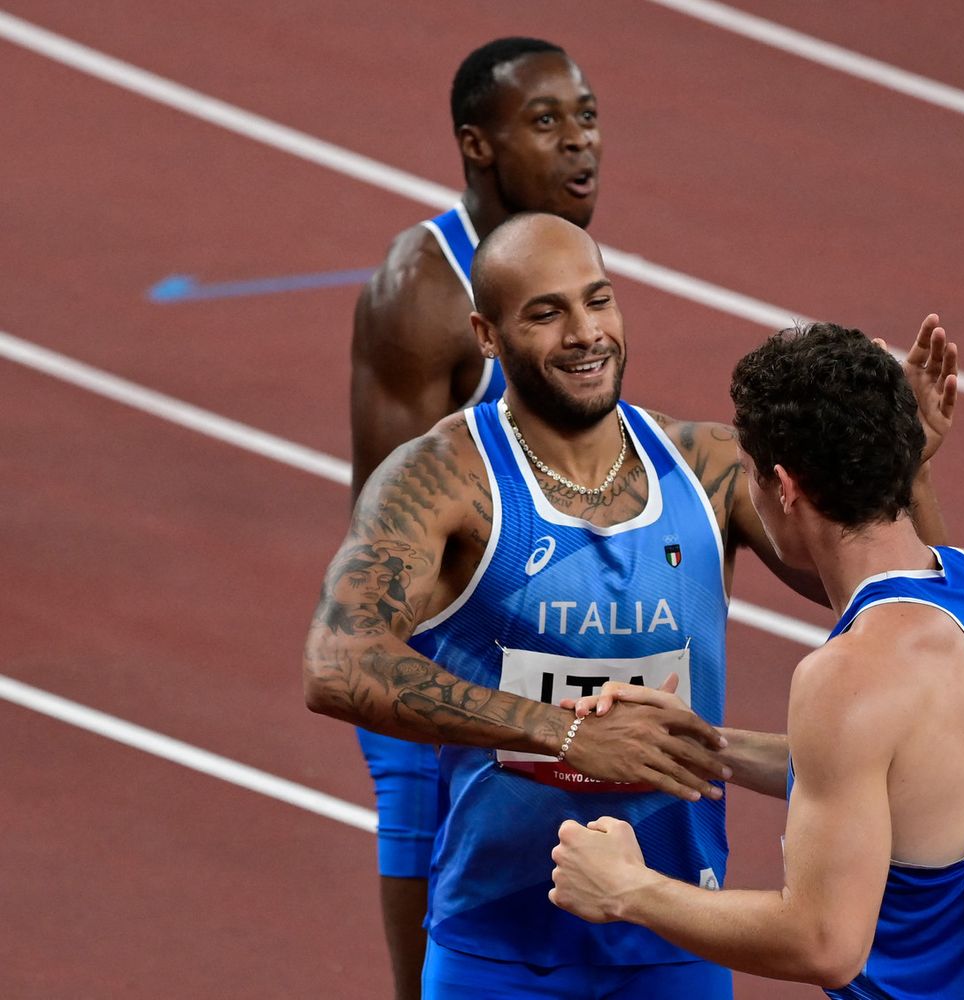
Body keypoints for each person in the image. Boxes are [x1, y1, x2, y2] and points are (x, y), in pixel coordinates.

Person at [305, 213, 956, 998]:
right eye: (546, 313)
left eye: (599, 300)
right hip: (498, 950)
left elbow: (907, 610)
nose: (586, 333)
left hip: (676, 940)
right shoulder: (441, 479)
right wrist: (565, 732)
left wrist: (904, 467)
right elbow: (337, 662)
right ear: (486, 335)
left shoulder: (708, 466)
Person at [549, 323, 964, 999]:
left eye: (749, 473)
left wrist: (628, 888)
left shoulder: (848, 677)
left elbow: (824, 943)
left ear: (785, 487)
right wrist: (709, 747)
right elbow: (906, 776)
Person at [346, 37, 602, 995]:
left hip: (538, 642)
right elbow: (387, 534)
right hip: (435, 655)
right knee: (440, 932)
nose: (579, 141)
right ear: (477, 145)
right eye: (546, 121)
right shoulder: (424, 292)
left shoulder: (563, 269)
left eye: (586, 116)